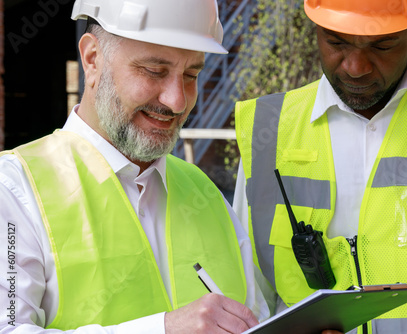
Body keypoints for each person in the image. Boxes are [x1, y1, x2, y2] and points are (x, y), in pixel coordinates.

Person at [0, 0, 270, 333]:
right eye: (154, 71)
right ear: (92, 59)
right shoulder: (14, 192)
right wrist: (164, 329)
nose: (177, 101)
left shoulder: (207, 195)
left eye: (191, 75)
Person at [233, 0, 407, 333]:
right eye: (336, 42)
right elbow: (248, 300)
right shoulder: (269, 131)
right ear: (314, 26)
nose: (356, 67)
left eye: (382, 45)